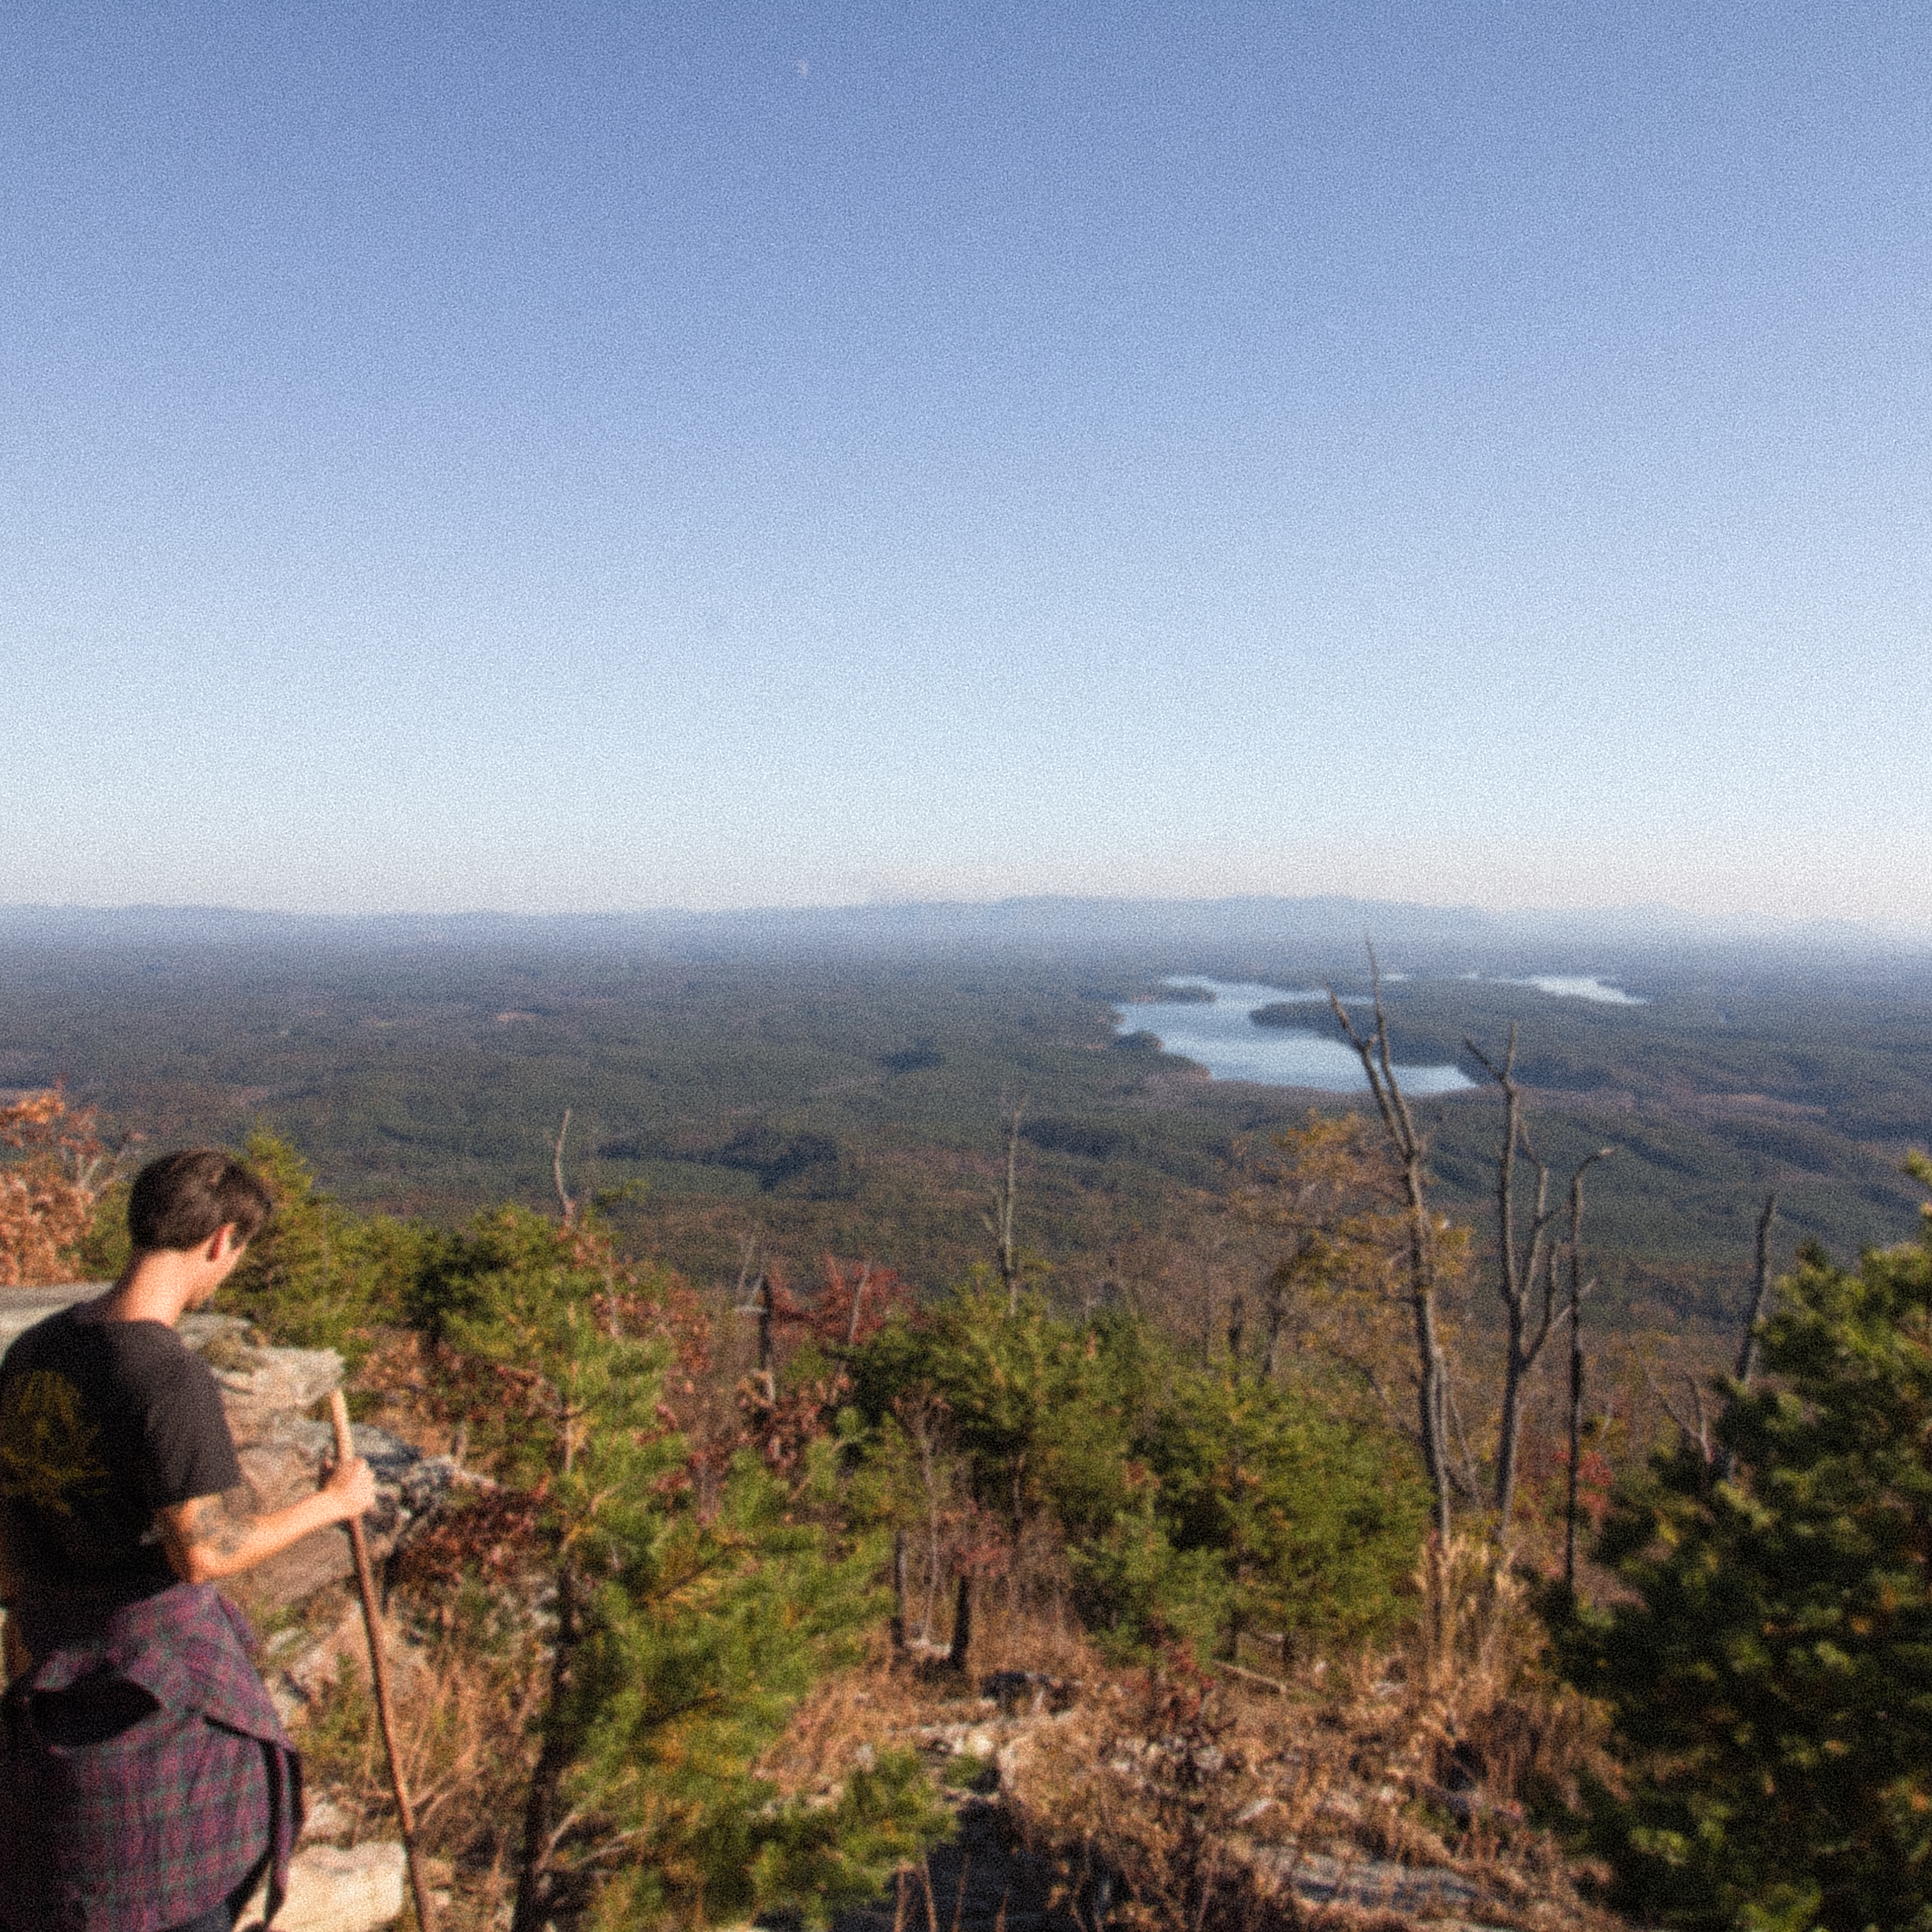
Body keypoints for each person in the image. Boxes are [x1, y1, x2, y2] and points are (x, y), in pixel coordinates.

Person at [0, 1148, 377, 1932]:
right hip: (146, 1704)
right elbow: (203, 1553)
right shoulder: (166, 1375)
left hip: (47, 1673)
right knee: (181, 1896)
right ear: (221, 1242)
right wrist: (334, 1504)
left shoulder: (33, 1353)